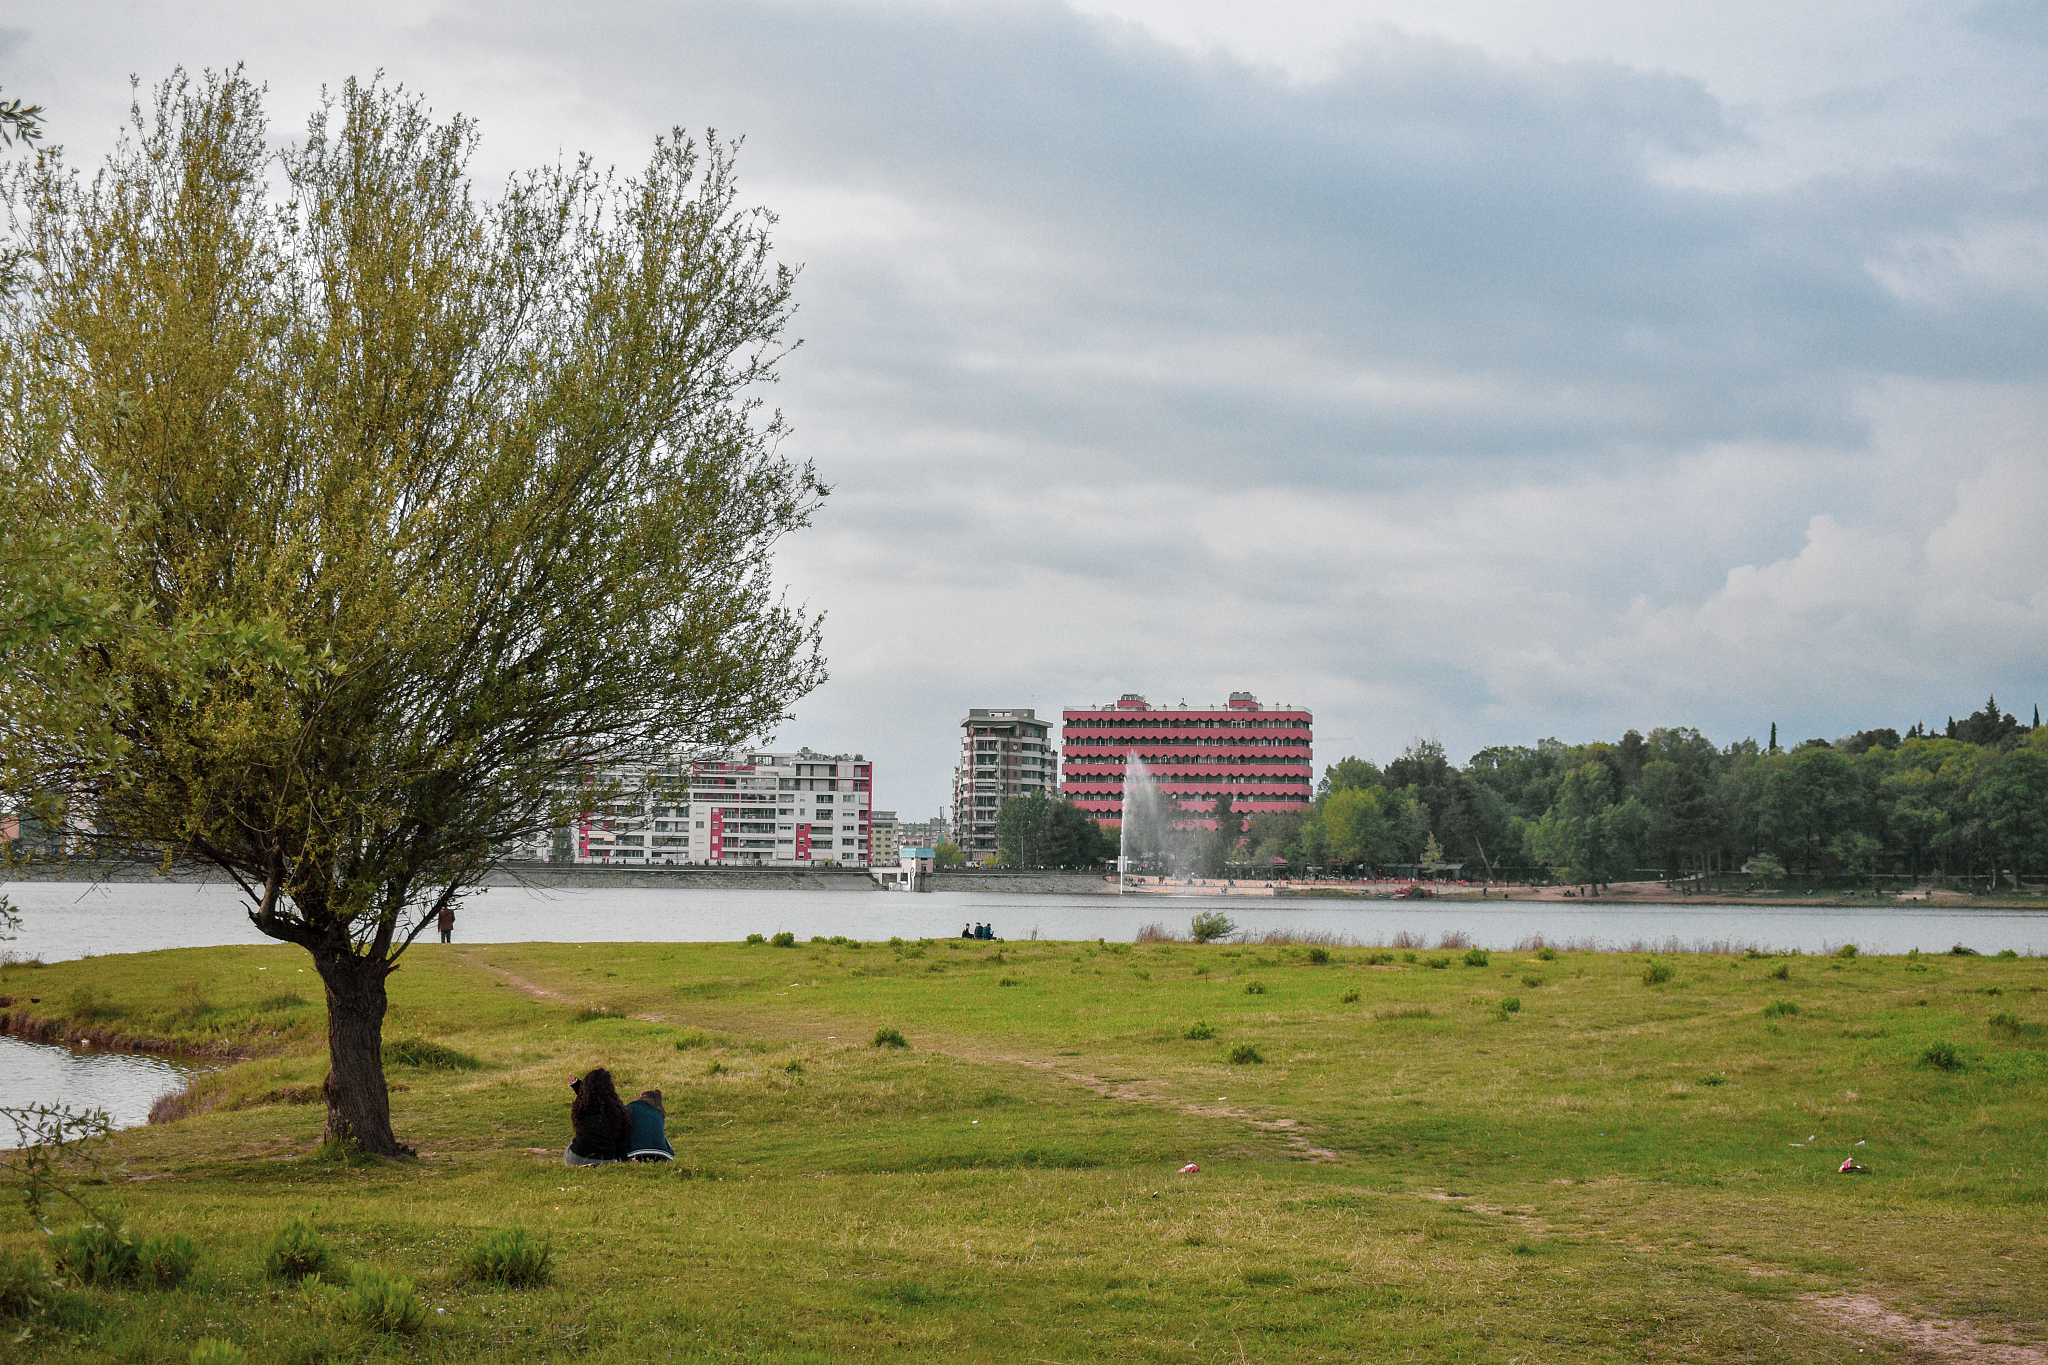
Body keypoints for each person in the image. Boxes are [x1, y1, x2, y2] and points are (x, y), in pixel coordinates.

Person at [565, 1067, 631, 1165]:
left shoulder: (582, 1108)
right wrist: (624, 1160)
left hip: (578, 1157)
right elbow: (621, 1142)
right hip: (606, 1160)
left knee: (571, 1146)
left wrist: (578, 1087)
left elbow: (590, 1097)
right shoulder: (618, 1112)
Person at [625, 1089, 675, 1162]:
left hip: (635, 1151)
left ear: (640, 1096)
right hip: (662, 1153)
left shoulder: (631, 1106)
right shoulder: (659, 1112)